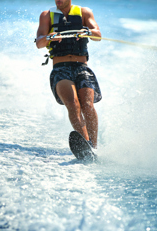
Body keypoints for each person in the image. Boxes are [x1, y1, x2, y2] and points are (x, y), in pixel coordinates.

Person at [35, 0, 102, 149]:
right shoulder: (46, 15)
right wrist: (48, 37)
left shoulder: (85, 13)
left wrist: (88, 32)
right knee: (73, 104)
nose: (58, 0)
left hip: (82, 67)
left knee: (87, 105)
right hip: (61, 69)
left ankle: (94, 147)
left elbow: (98, 36)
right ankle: (86, 145)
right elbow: (39, 43)